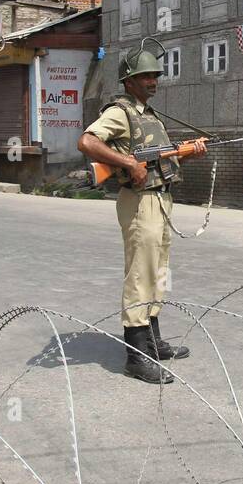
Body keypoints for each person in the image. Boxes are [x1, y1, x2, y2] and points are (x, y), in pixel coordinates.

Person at [77, 40, 206, 384]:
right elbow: (88, 141)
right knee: (140, 274)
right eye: (144, 76)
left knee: (158, 272)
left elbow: (156, 157)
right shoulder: (120, 112)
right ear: (128, 81)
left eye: (155, 75)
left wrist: (186, 153)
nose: (152, 81)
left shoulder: (148, 115)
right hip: (141, 201)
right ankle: (136, 356)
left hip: (161, 200)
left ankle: (153, 341)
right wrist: (126, 162)